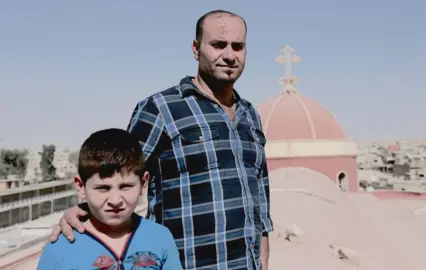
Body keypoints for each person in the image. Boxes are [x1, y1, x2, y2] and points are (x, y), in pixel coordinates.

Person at [50, 9, 273, 269]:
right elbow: (115, 173)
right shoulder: (161, 109)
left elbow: (261, 194)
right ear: (195, 49)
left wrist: (264, 256)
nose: (229, 55)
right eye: (218, 45)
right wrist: (82, 211)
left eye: (238, 46)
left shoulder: (250, 116)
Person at [39, 128, 182, 269]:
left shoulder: (160, 237)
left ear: (143, 184)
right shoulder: (60, 248)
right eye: (103, 188)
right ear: (81, 187)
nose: (115, 200)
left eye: (125, 186)